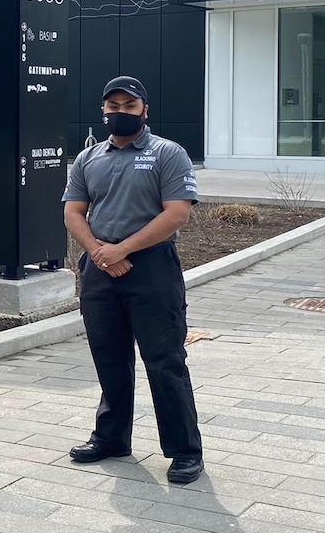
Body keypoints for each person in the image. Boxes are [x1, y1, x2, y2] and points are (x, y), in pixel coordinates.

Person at [62, 76, 204, 484]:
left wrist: (121, 250)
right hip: (100, 270)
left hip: (152, 270)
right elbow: (73, 212)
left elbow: (176, 213)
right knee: (109, 358)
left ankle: (184, 451)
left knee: (165, 362)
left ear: (144, 110)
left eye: (128, 106)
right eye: (113, 106)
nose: (119, 112)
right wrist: (99, 252)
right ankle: (111, 438)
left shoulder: (167, 154)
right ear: (103, 110)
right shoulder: (88, 158)